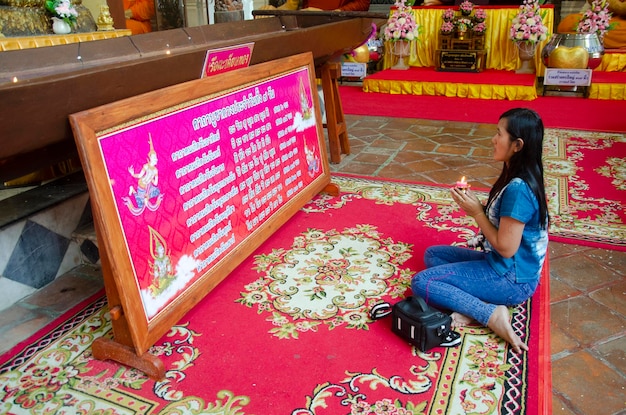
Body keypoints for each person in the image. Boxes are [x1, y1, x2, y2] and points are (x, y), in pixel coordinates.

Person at [411, 108, 549, 354]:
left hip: (512, 279)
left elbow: (507, 248)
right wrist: (480, 216)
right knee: (433, 255)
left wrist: (477, 213)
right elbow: (503, 229)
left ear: (517, 145)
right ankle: (476, 298)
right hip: (501, 263)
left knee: (423, 282)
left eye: (499, 134)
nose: (493, 140)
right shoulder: (517, 174)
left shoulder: (519, 189)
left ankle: (491, 313)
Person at [261, 0, 370, 12]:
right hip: (309, 25)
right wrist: (272, 11)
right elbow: (291, 6)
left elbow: (363, 4)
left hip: (339, 25)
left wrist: (336, 12)